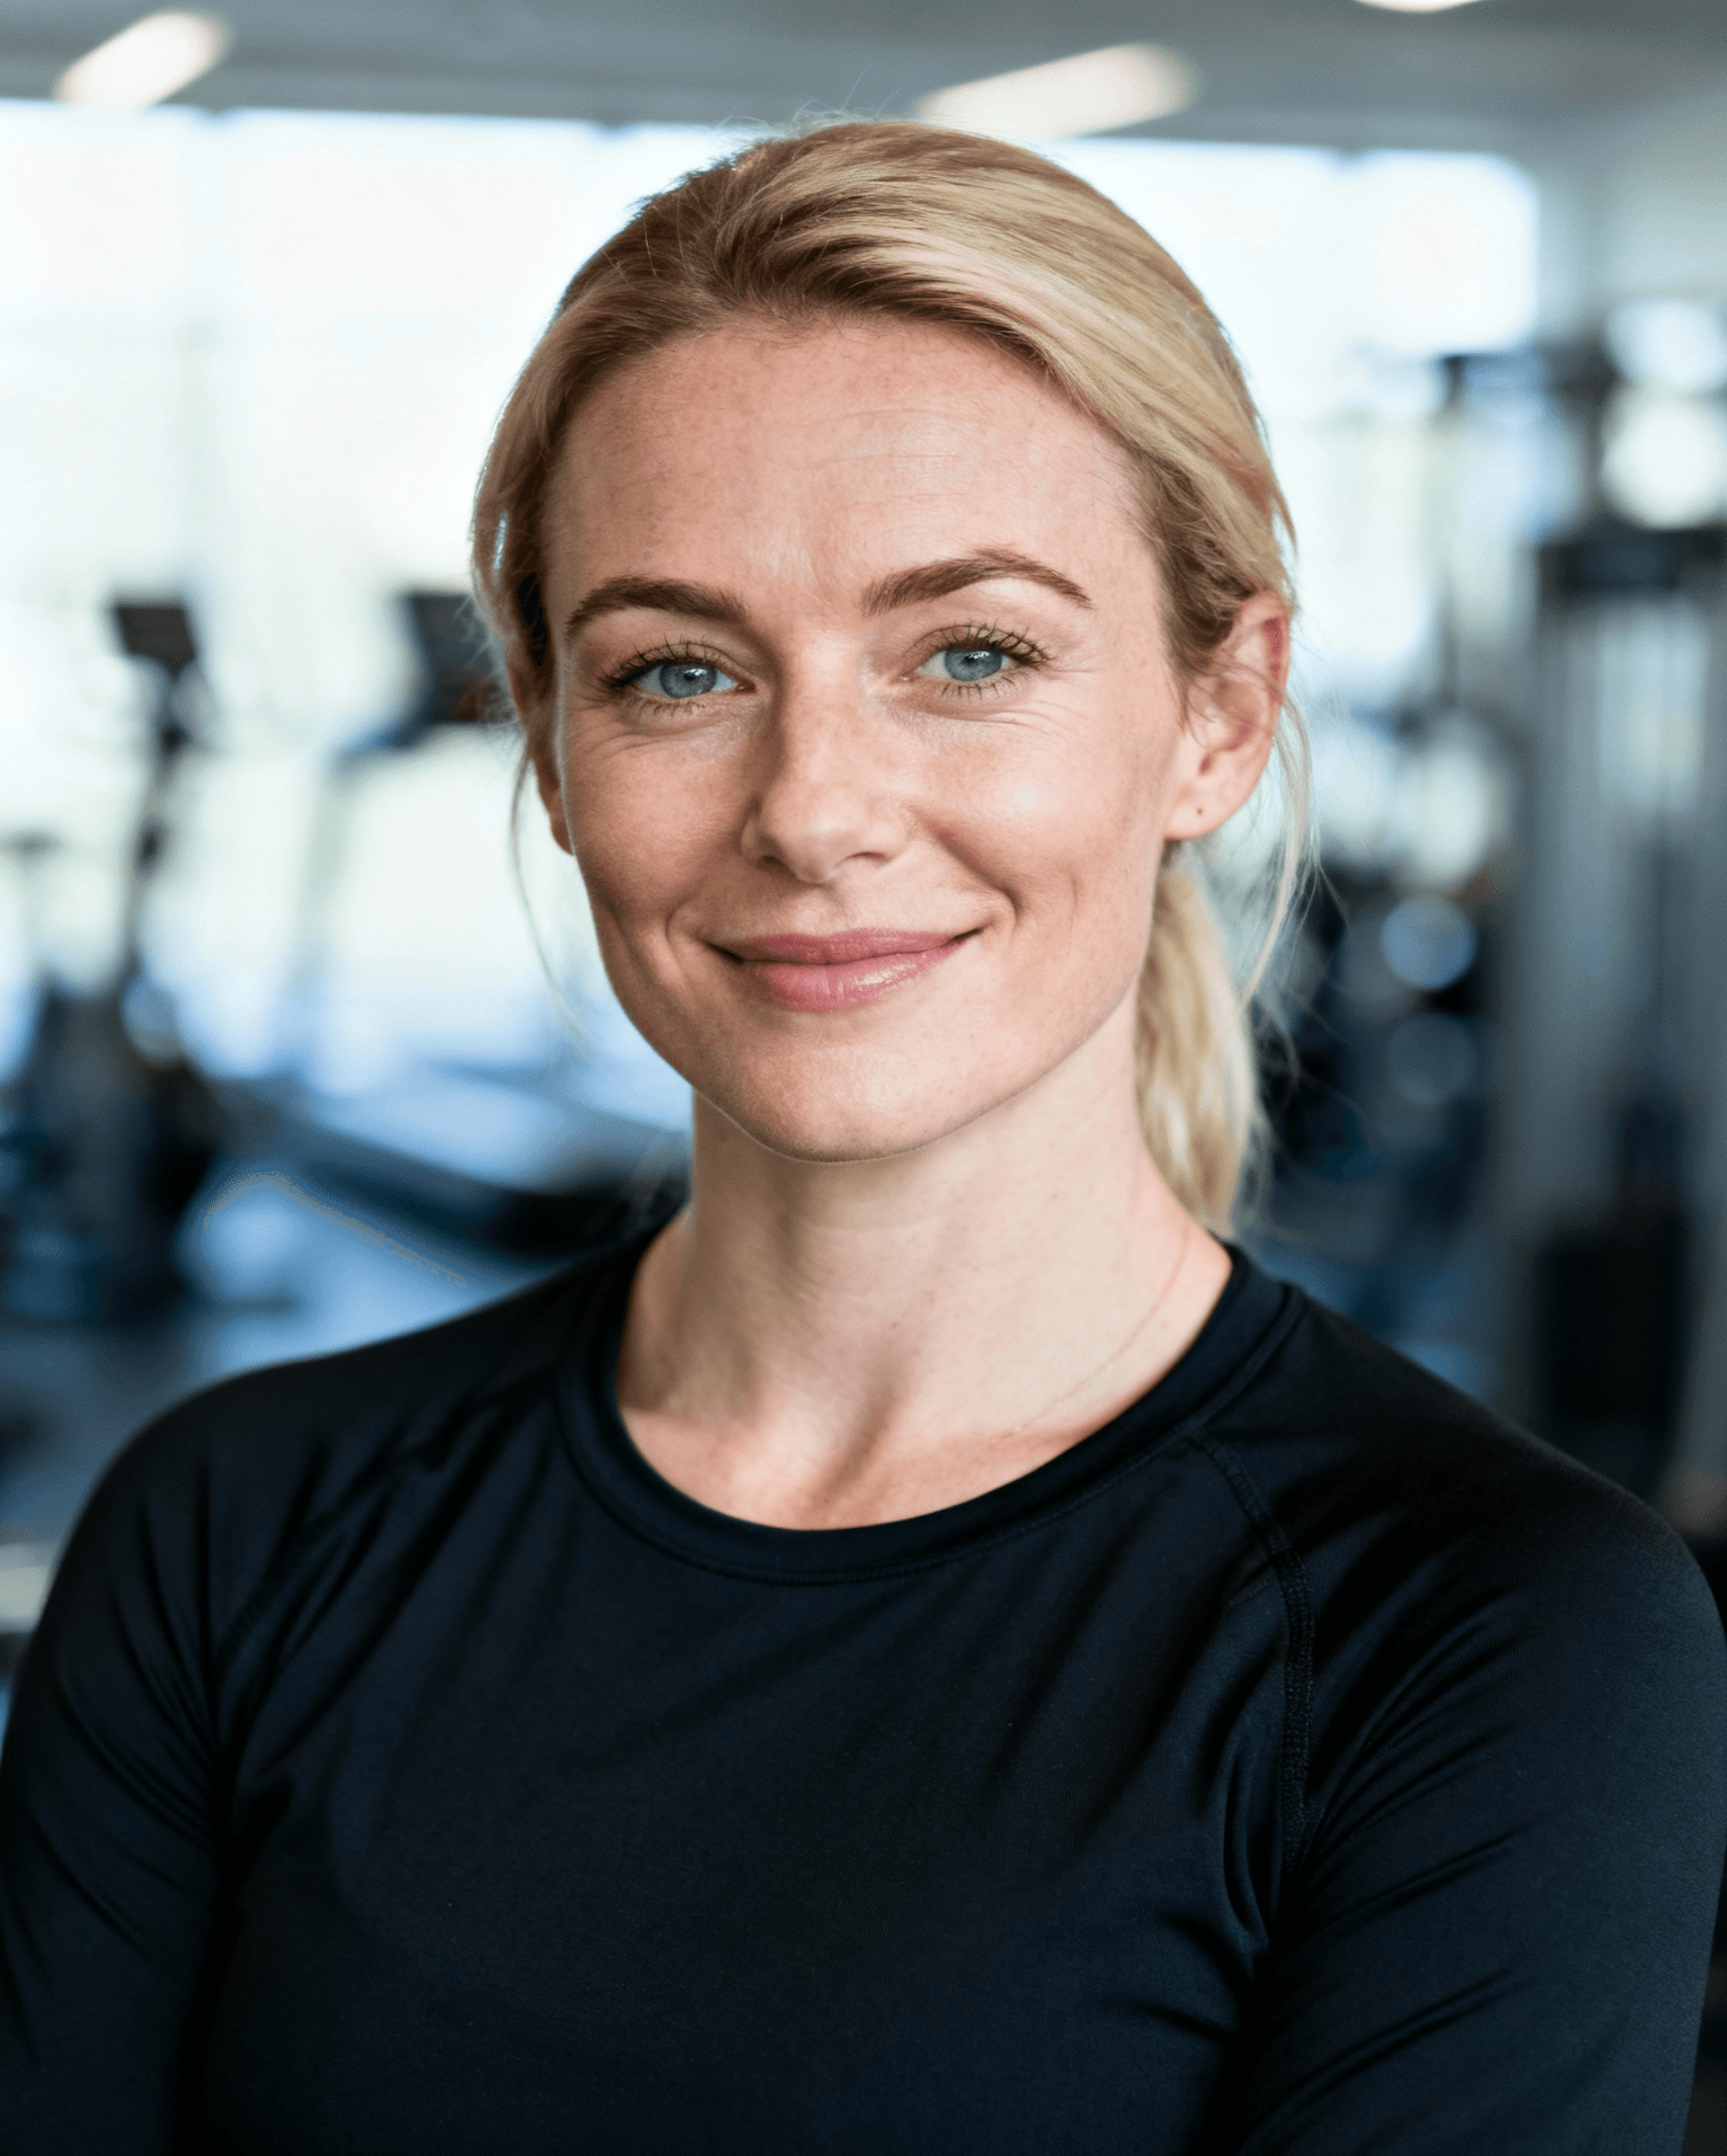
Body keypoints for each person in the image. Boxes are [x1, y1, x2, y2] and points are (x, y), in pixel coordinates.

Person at [1, 121, 1723, 2155]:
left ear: (1218, 714)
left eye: (969, 656)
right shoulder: (234, 1533)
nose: (815, 809)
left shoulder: (1487, 1633)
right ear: (550, 742)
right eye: (679, 672)